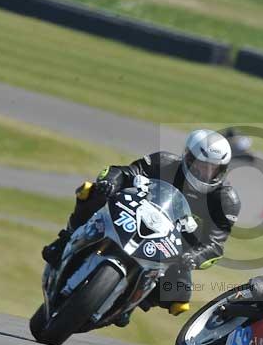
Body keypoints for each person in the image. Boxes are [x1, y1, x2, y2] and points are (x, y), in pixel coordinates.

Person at [42, 129, 241, 327]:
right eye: (201, 165)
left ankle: (134, 302)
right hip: (135, 214)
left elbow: (215, 245)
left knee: (178, 295)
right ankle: (64, 240)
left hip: (172, 245)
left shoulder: (225, 201)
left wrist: (193, 257)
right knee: (91, 191)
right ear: (188, 157)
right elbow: (126, 172)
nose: (205, 173)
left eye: (213, 168)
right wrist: (110, 181)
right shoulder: (163, 162)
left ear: (222, 170)